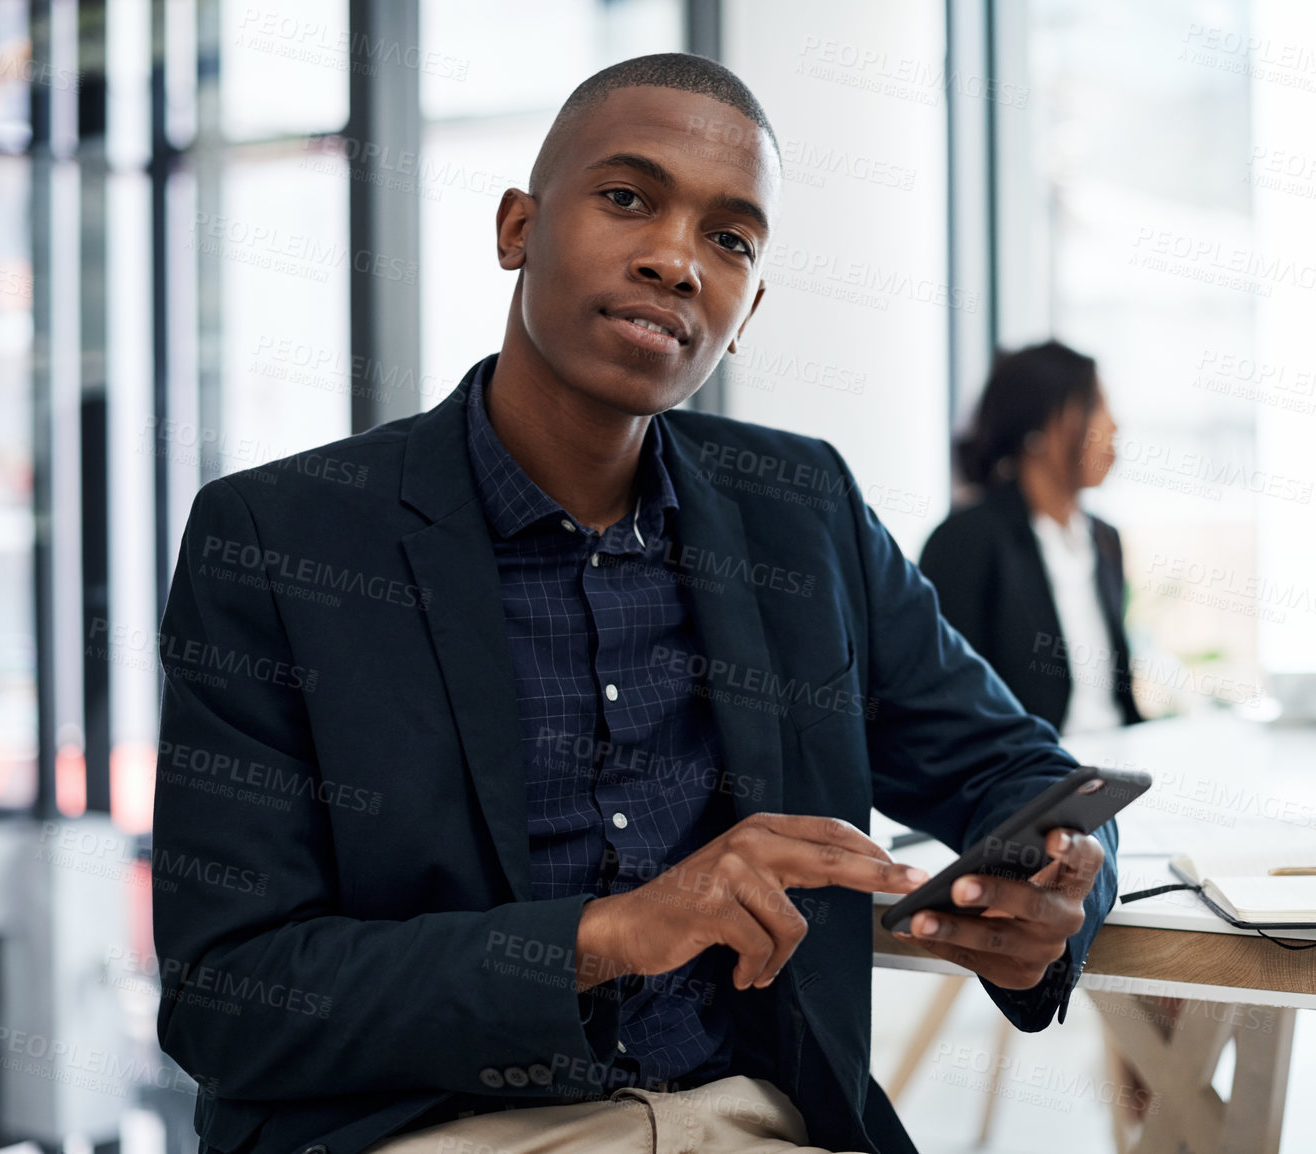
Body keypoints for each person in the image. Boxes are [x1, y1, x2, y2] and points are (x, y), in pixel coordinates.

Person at [151, 55, 1117, 1154]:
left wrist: (1058, 893)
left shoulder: (801, 510)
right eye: (626, 199)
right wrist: (606, 934)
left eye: (730, 239)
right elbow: (226, 992)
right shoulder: (284, 539)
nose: (675, 259)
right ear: (518, 226)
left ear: (748, 308)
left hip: (753, 1118)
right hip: (430, 1127)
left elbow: (1029, 775)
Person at [919, 341, 1143, 736]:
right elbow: (948, 707)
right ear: (1038, 426)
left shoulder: (1105, 538)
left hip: (1114, 767)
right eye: (1094, 406)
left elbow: (1121, 701)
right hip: (1030, 778)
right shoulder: (965, 541)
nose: (1113, 425)